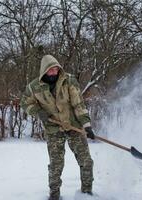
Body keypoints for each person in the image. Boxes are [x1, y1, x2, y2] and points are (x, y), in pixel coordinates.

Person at [20, 55, 95, 200]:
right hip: (53, 129)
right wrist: (38, 112)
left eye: (56, 69)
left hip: (74, 127)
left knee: (86, 161)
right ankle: (54, 195)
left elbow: (78, 104)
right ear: (44, 71)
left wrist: (87, 125)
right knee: (56, 165)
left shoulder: (68, 80)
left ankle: (87, 193)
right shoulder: (33, 87)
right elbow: (25, 103)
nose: (54, 72)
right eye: (51, 70)